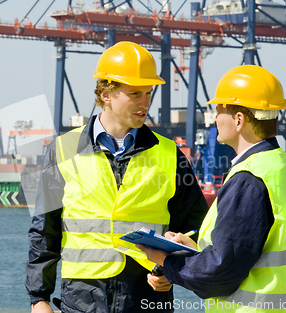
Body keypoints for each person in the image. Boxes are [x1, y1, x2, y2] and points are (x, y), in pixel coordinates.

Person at [26, 41, 209, 313]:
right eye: (135, 93)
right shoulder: (62, 151)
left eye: (149, 93)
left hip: (147, 300)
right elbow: (44, 231)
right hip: (81, 302)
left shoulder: (171, 155)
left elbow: (194, 231)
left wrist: (171, 271)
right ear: (106, 93)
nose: (145, 102)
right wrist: (39, 298)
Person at [139, 65, 286, 312]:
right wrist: (195, 253)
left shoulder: (248, 180)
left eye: (219, 109)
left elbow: (219, 275)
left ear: (239, 120)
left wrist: (166, 261)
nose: (214, 118)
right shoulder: (281, 167)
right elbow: (251, 252)